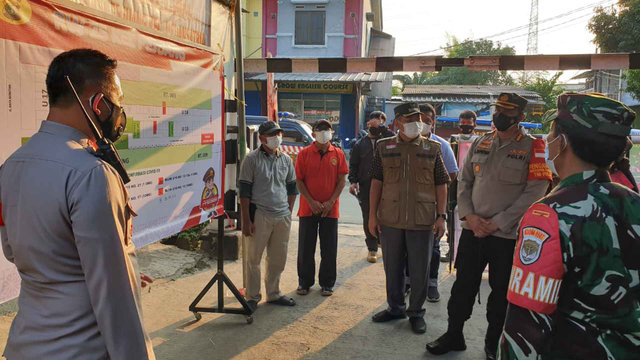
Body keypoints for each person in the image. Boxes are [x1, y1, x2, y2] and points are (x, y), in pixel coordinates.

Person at [0, 49, 155, 359]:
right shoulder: (92, 174)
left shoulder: (11, 166)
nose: (119, 112)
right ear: (98, 103)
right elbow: (114, 295)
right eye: (117, 102)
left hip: (26, 346)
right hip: (82, 350)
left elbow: (16, 252)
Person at [499, 93, 640, 359]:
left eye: (551, 134)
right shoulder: (634, 203)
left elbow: (526, 323)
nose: (548, 142)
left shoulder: (549, 214)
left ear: (561, 142)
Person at [427, 93, 552, 360]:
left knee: (501, 293)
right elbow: (463, 181)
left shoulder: (535, 148)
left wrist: (498, 223)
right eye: (498, 110)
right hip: (473, 231)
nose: (500, 116)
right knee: (463, 287)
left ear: (520, 116)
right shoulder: (481, 142)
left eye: (507, 112)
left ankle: (493, 342)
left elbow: (536, 191)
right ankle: (454, 335)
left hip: (506, 235)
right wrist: (470, 217)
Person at [369, 102, 449, 334]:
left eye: (419, 119)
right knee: (392, 267)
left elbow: (441, 184)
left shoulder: (432, 148)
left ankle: (416, 312)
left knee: (419, 269)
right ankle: (395, 308)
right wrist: (372, 217)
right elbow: (376, 182)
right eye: (411, 119)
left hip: (422, 220)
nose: (417, 123)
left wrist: (441, 216)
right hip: (390, 218)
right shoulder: (384, 147)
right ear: (398, 123)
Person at [239, 120, 299, 311]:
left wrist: (288, 211)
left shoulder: (286, 160)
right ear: (262, 138)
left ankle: (273, 293)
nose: (276, 138)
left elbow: (292, 187)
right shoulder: (252, 160)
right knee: (253, 258)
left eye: (278, 134)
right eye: (272, 135)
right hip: (260, 215)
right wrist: (246, 220)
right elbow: (244, 192)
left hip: (282, 216)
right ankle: (252, 297)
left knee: (277, 258)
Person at [295, 119, 348, 296]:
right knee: (306, 247)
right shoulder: (304, 154)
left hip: (330, 209)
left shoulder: (338, 154)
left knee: (329, 248)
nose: (325, 132)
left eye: (328, 129)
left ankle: (327, 283)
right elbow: (299, 181)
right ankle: (304, 282)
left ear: (331, 133)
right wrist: (311, 201)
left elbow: (341, 180)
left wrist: (331, 201)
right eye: (321, 129)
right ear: (313, 133)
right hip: (308, 208)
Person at [418, 103, 459, 302]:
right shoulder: (405, 143)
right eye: (419, 119)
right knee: (408, 248)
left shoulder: (441, 145)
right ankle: (409, 282)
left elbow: (452, 172)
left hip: (433, 204)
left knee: (433, 247)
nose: (423, 124)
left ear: (433, 123)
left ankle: (432, 283)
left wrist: (436, 192)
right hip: (409, 204)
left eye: (427, 120)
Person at [348, 111, 394, 263]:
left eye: (379, 123)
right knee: (369, 216)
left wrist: (382, 129)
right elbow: (353, 165)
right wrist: (353, 181)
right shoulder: (360, 144)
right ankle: (372, 248)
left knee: (386, 216)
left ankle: (384, 243)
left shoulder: (389, 141)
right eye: (372, 123)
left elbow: (396, 139)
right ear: (368, 124)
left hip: (388, 186)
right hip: (366, 186)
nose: (375, 127)